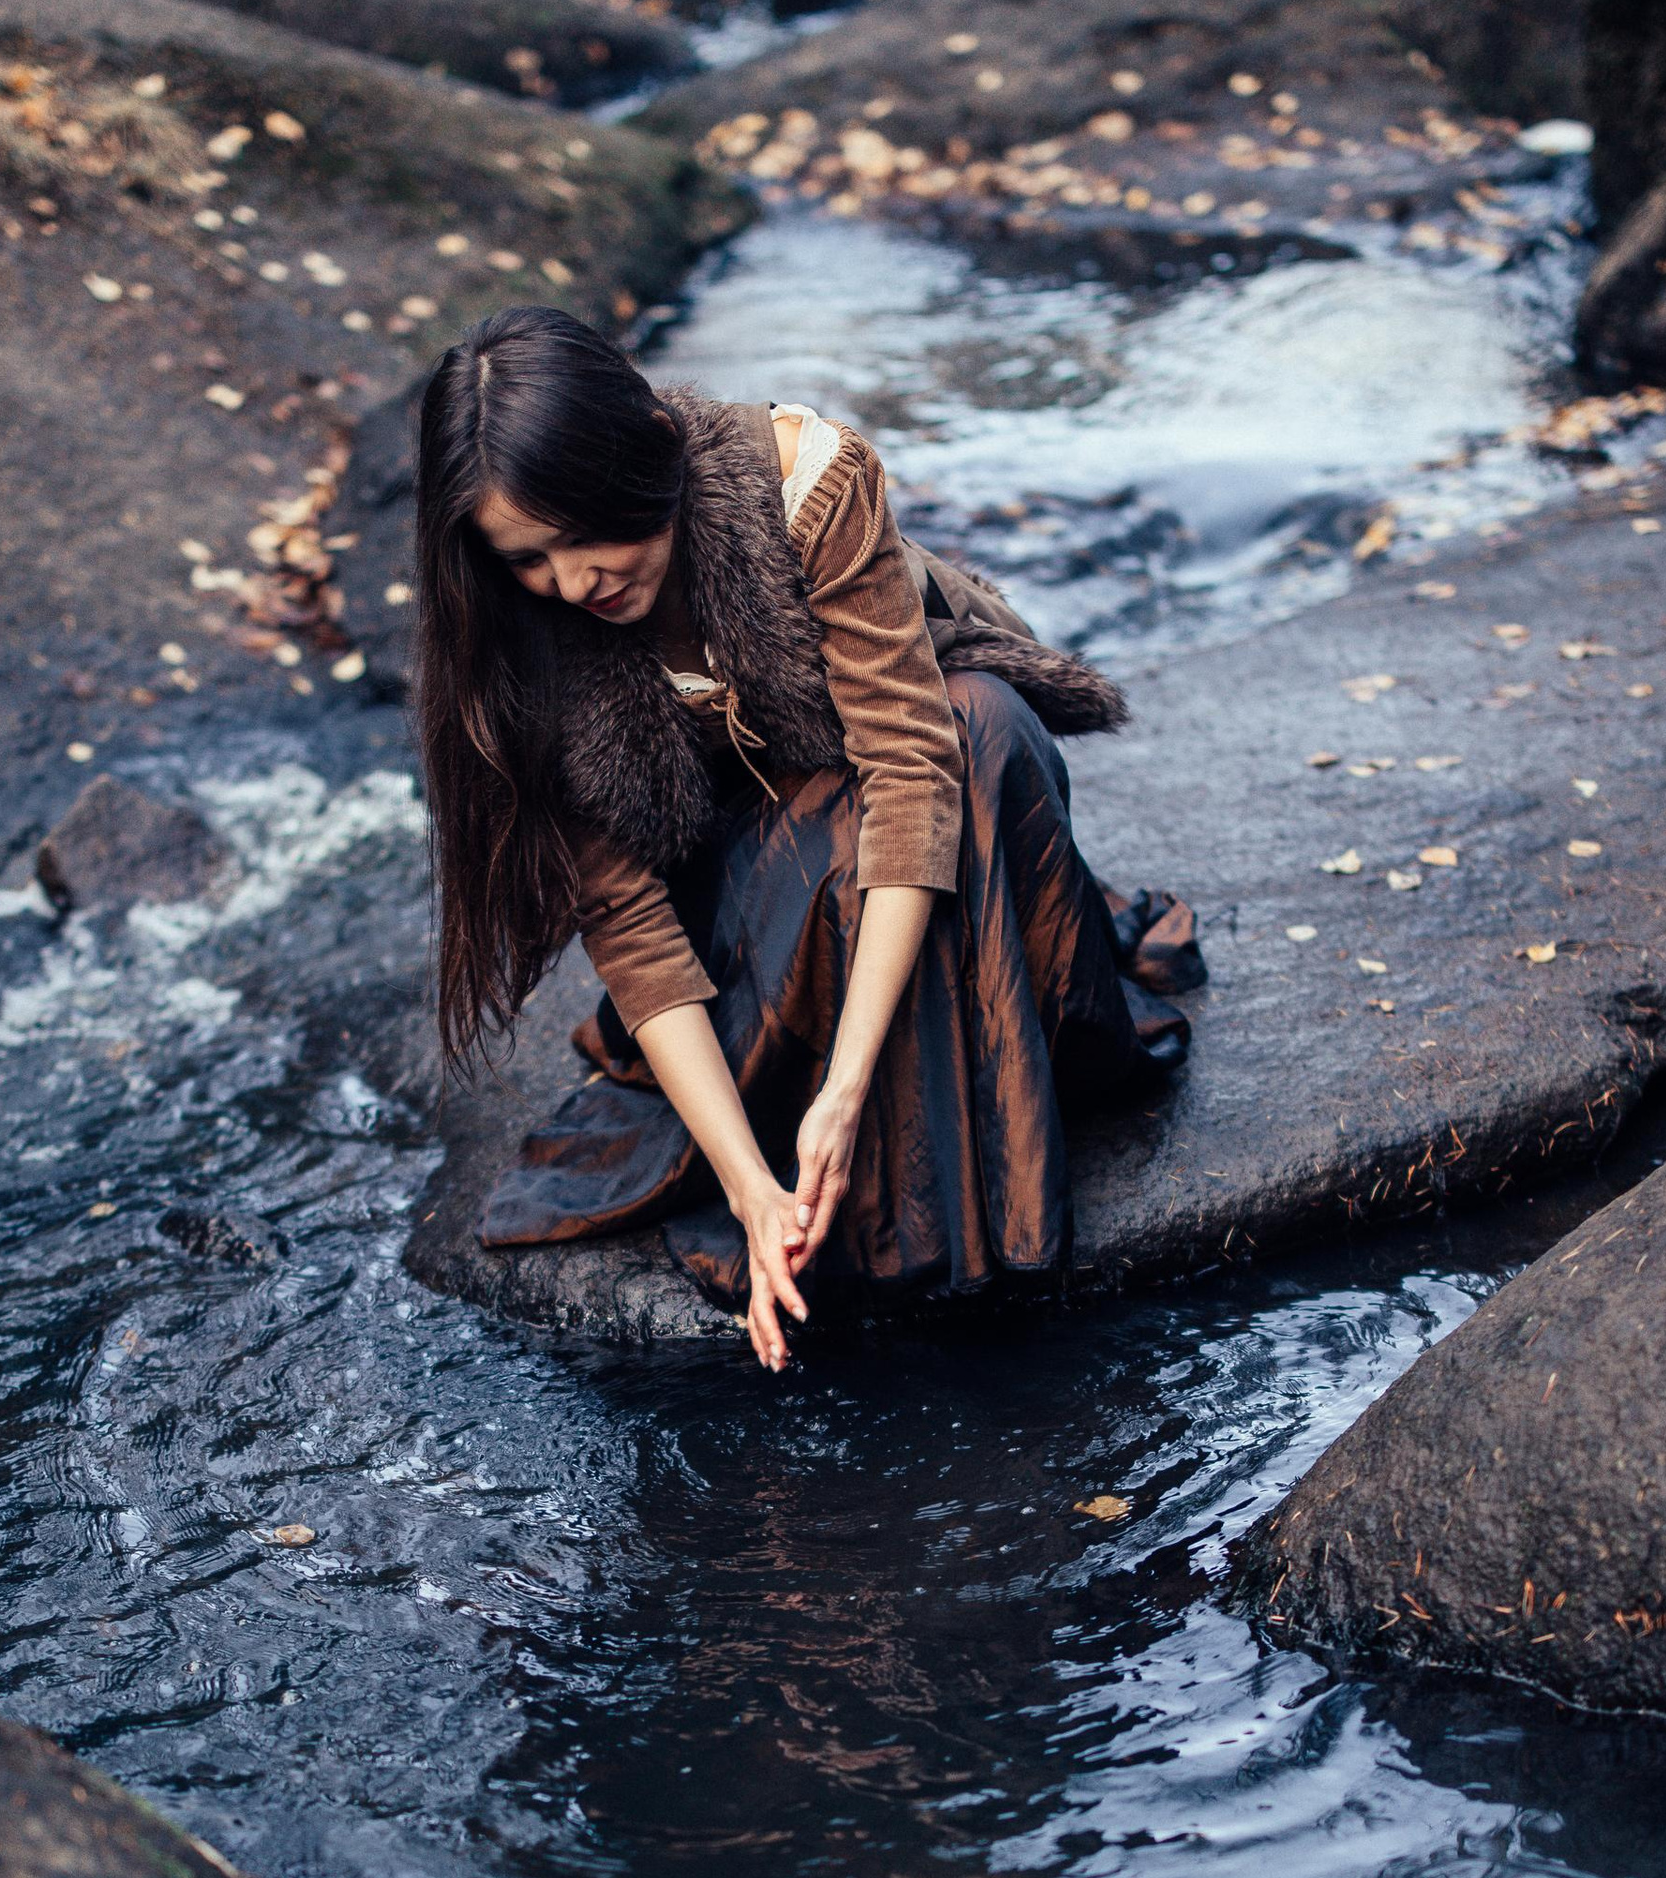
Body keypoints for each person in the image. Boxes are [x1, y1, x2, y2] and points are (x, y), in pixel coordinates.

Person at [413, 305, 1199, 1371]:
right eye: (529, 557)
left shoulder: (801, 480)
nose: (574, 582)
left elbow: (910, 771)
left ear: (649, 450)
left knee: (981, 722)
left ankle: (949, 1112)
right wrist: (747, 1181)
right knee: (828, 860)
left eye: (585, 531)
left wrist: (844, 1092)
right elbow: (631, 926)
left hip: (900, 819)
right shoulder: (518, 634)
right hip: (739, 903)